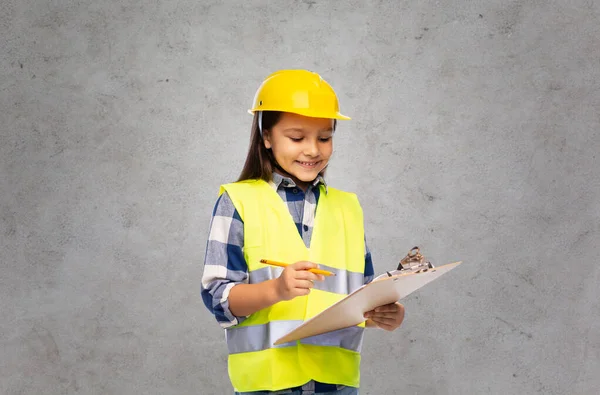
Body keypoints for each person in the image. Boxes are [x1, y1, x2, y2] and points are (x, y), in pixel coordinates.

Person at [200, 69, 405, 394]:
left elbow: (360, 294)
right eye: (297, 138)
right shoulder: (237, 201)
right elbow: (218, 298)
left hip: (335, 384)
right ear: (266, 136)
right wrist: (276, 290)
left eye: (324, 137)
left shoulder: (348, 208)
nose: (313, 150)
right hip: (267, 385)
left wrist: (383, 312)